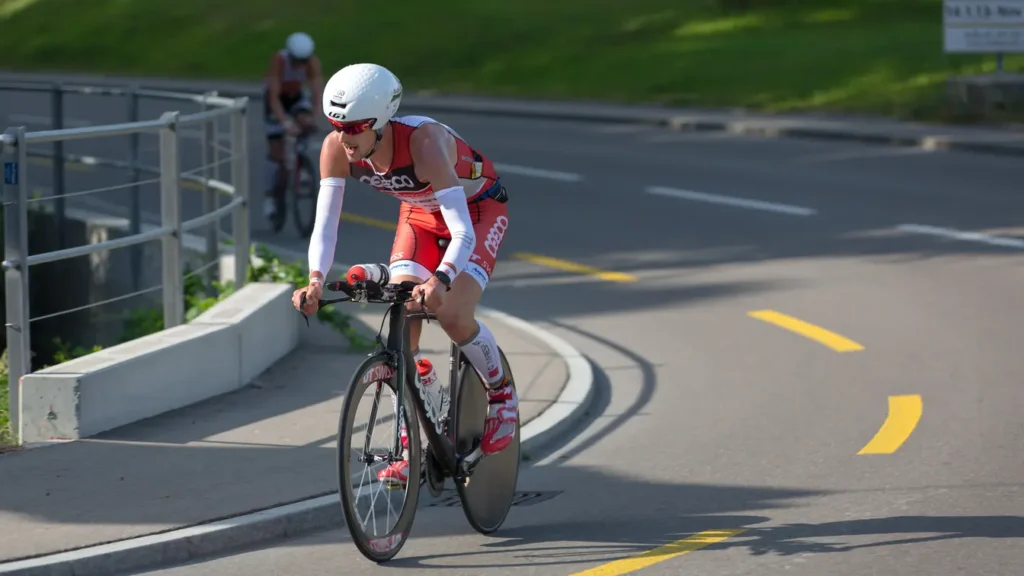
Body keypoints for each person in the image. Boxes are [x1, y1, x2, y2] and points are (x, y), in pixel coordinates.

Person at [290, 63, 517, 489]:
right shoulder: (337, 148)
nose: (344, 137)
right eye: (336, 125)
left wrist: (442, 279)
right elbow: (326, 224)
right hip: (420, 215)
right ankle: (413, 431)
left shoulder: (426, 143)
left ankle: (502, 394)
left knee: (450, 313)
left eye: (354, 127)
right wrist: (316, 279)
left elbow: (463, 232)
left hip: (476, 213)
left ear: (379, 121)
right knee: (403, 329)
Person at [262, 32, 324, 221]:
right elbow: (273, 97)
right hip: (276, 99)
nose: (300, 65)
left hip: (296, 97)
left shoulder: (311, 63)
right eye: (297, 61)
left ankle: (301, 165)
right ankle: (270, 197)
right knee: (276, 152)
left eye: (304, 61)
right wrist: (285, 123)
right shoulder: (279, 61)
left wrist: (313, 118)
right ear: (290, 55)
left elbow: (316, 94)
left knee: (305, 123)